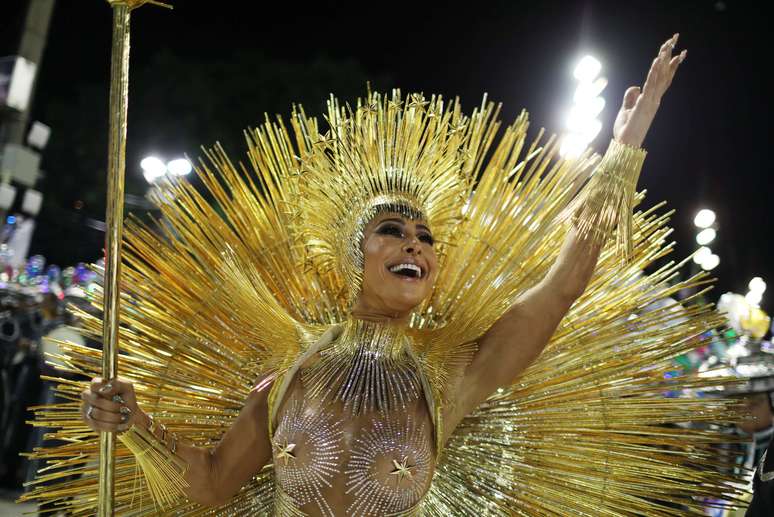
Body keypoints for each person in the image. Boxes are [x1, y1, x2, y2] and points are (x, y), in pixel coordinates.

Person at [21, 34, 745, 515]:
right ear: (355, 255)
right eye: (392, 231)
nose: (415, 245)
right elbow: (208, 485)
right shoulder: (290, 368)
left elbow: (564, 281)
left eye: (427, 238)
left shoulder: (455, 374)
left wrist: (624, 146)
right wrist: (135, 426)